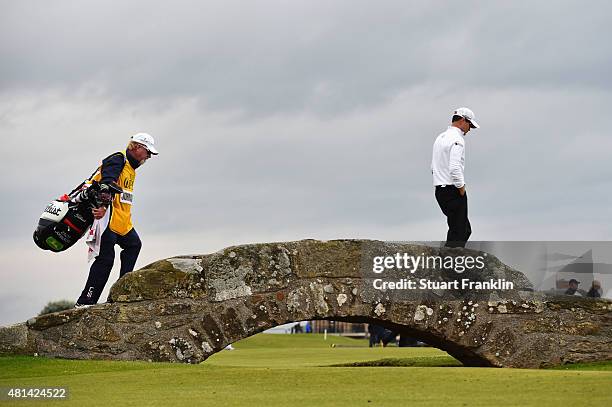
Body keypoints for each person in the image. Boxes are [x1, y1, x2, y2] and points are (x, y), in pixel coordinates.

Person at [75, 133, 159, 307]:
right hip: (106, 218)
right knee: (105, 259)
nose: (149, 156)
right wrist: (103, 206)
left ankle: (122, 292)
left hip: (122, 221)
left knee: (134, 245)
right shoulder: (118, 159)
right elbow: (105, 183)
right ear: (136, 147)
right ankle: (85, 302)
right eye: (147, 151)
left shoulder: (131, 168)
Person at [431, 107, 480, 248]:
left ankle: (448, 261)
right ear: (463, 120)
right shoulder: (457, 139)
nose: (469, 129)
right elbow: (454, 167)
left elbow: (433, 167)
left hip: (440, 189)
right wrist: (461, 187)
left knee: (462, 229)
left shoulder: (440, 138)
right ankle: (449, 265)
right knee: (460, 231)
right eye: (469, 125)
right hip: (453, 189)